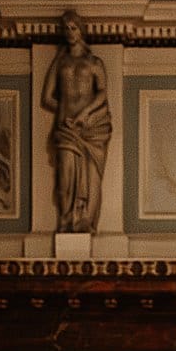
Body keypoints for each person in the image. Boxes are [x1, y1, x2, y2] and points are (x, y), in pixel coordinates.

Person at [42, 12, 111, 234]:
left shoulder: (94, 62)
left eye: (74, 28)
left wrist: (84, 115)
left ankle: (84, 219)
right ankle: (65, 220)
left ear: (81, 30)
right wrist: (65, 113)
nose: (70, 32)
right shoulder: (60, 62)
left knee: (90, 177)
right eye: (67, 28)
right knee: (65, 177)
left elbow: (102, 93)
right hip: (65, 128)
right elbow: (47, 97)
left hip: (90, 128)